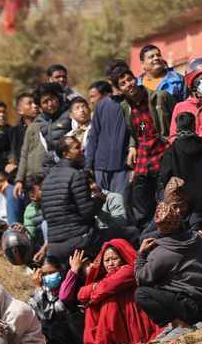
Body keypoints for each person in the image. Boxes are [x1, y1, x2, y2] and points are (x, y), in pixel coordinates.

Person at [134, 201, 202, 337]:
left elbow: (141, 278)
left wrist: (141, 255)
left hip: (191, 307)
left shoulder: (164, 253)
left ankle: (180, 324)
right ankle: (176, 323)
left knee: (141, 294)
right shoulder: (197, 238)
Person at [73, 240, 159, 344]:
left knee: (109, 299)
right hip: (120, 325)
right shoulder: (105, 277)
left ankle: (103, 343)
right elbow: (81, 294)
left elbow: (106, 287)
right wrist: (95, 288)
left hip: (134, 322)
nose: (110, 264)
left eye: (114, 259)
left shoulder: (129, 270)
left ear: (123, 258)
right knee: (92, 306)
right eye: (106, 260)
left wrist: (94, 293)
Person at [111, 64, 171, 228]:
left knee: (164, 198)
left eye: (129, 79)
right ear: (119, 89)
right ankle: (146, 233)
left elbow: (173, 121)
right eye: (122, 83)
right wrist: (132, 146)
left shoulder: (160, 97)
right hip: (144, 159)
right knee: (141, 201)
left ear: (135, 79)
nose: (128, 84)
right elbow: (137, 130)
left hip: (162, 153)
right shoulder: (125, 107)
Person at [41, 136, 102, 261]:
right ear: (66, 154)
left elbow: (46, 215)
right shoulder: (76, 175)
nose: (82, 150)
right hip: (78, 240)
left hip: (54, 244)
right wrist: (100, 199)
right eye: (77, 148)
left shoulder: (47, 179)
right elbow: (87, 212)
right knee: (129, 234)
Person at [158, 112, 202, 226]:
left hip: (179, 207)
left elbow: (165, 177)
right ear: (194, 125)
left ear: (177, 127)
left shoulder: (171, 151)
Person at [85, 62, 133, 194]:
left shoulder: (136, 103)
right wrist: (89, 164)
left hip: (124, 167)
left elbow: (143, 129)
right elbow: (93, 135)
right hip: (101, 167)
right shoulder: (102, 106)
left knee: (121, 208)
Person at [26, 259, 83, 344]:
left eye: (51, 273)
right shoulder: (45, 291)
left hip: (72, 339)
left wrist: (38, 288)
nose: (48, 276)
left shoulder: (67, 288)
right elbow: (32, 310)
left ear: (60, 271)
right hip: (54, 339)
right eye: (44, 274)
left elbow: (48, 314)